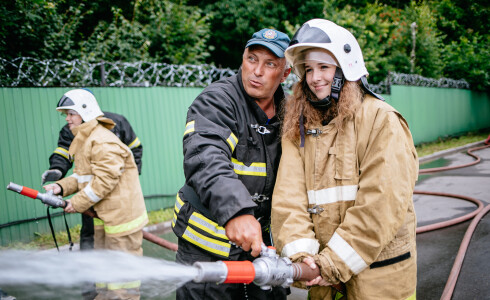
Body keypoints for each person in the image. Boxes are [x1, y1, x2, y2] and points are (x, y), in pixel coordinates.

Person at [271, 19, 418, 300]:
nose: (315, 78)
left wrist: (331, 264)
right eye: (309, 69)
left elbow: (380, 204)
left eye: (324, 67)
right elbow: (288, 201)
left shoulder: (381, 120)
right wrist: (304, 259)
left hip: (380, 283)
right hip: (325, 284)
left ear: (346, 68)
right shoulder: (297, 128)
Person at [171, 28, 291, 299]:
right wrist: (237, 212)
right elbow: (206, 155)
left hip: (261, 248)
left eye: (270, 64)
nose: (256, 71)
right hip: (207, 251)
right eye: (252, 59)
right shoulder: (218, 99)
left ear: (285, 74)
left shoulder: (291, 112)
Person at [43, 89, 148, 300]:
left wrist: (77, 202)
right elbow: (82, 176)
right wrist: (60, 187)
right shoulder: (86, 139)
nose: (67, 118)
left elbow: (104, 181)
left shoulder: (102, 141)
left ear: (85, 111)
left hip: (121, 219)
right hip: (106, 217)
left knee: (122, 276)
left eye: (71, 113)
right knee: (104, 270)